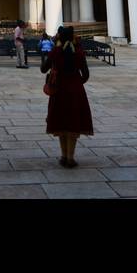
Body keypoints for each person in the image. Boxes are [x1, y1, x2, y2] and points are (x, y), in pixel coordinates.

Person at [41, 25, 93, 168]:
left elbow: (43, 69)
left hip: (58, 91)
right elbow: (86, 74)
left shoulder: (55, 52)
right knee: (73, 122)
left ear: (59, 37)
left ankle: (64, 156)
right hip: (76, 91)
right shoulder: (79, 52)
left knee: (61, 122)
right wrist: (76, 83)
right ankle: (71, 157)